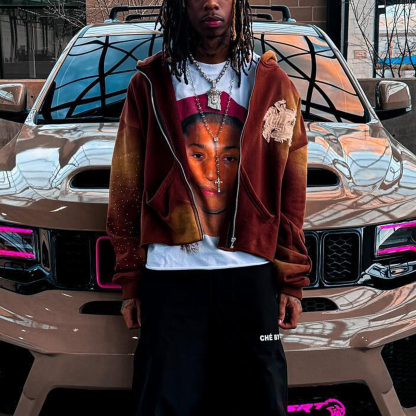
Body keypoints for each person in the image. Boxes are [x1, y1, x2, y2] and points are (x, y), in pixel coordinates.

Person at [106, 0, 312, 414]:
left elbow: (290, 184)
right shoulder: (150, 82)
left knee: (258, 402)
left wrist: (291, 278)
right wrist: (130, 281)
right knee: (165, 403)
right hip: (171, 274)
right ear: (181, 5)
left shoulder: (271, 83)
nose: (211, 3)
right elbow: (125, 186)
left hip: (250, 270)